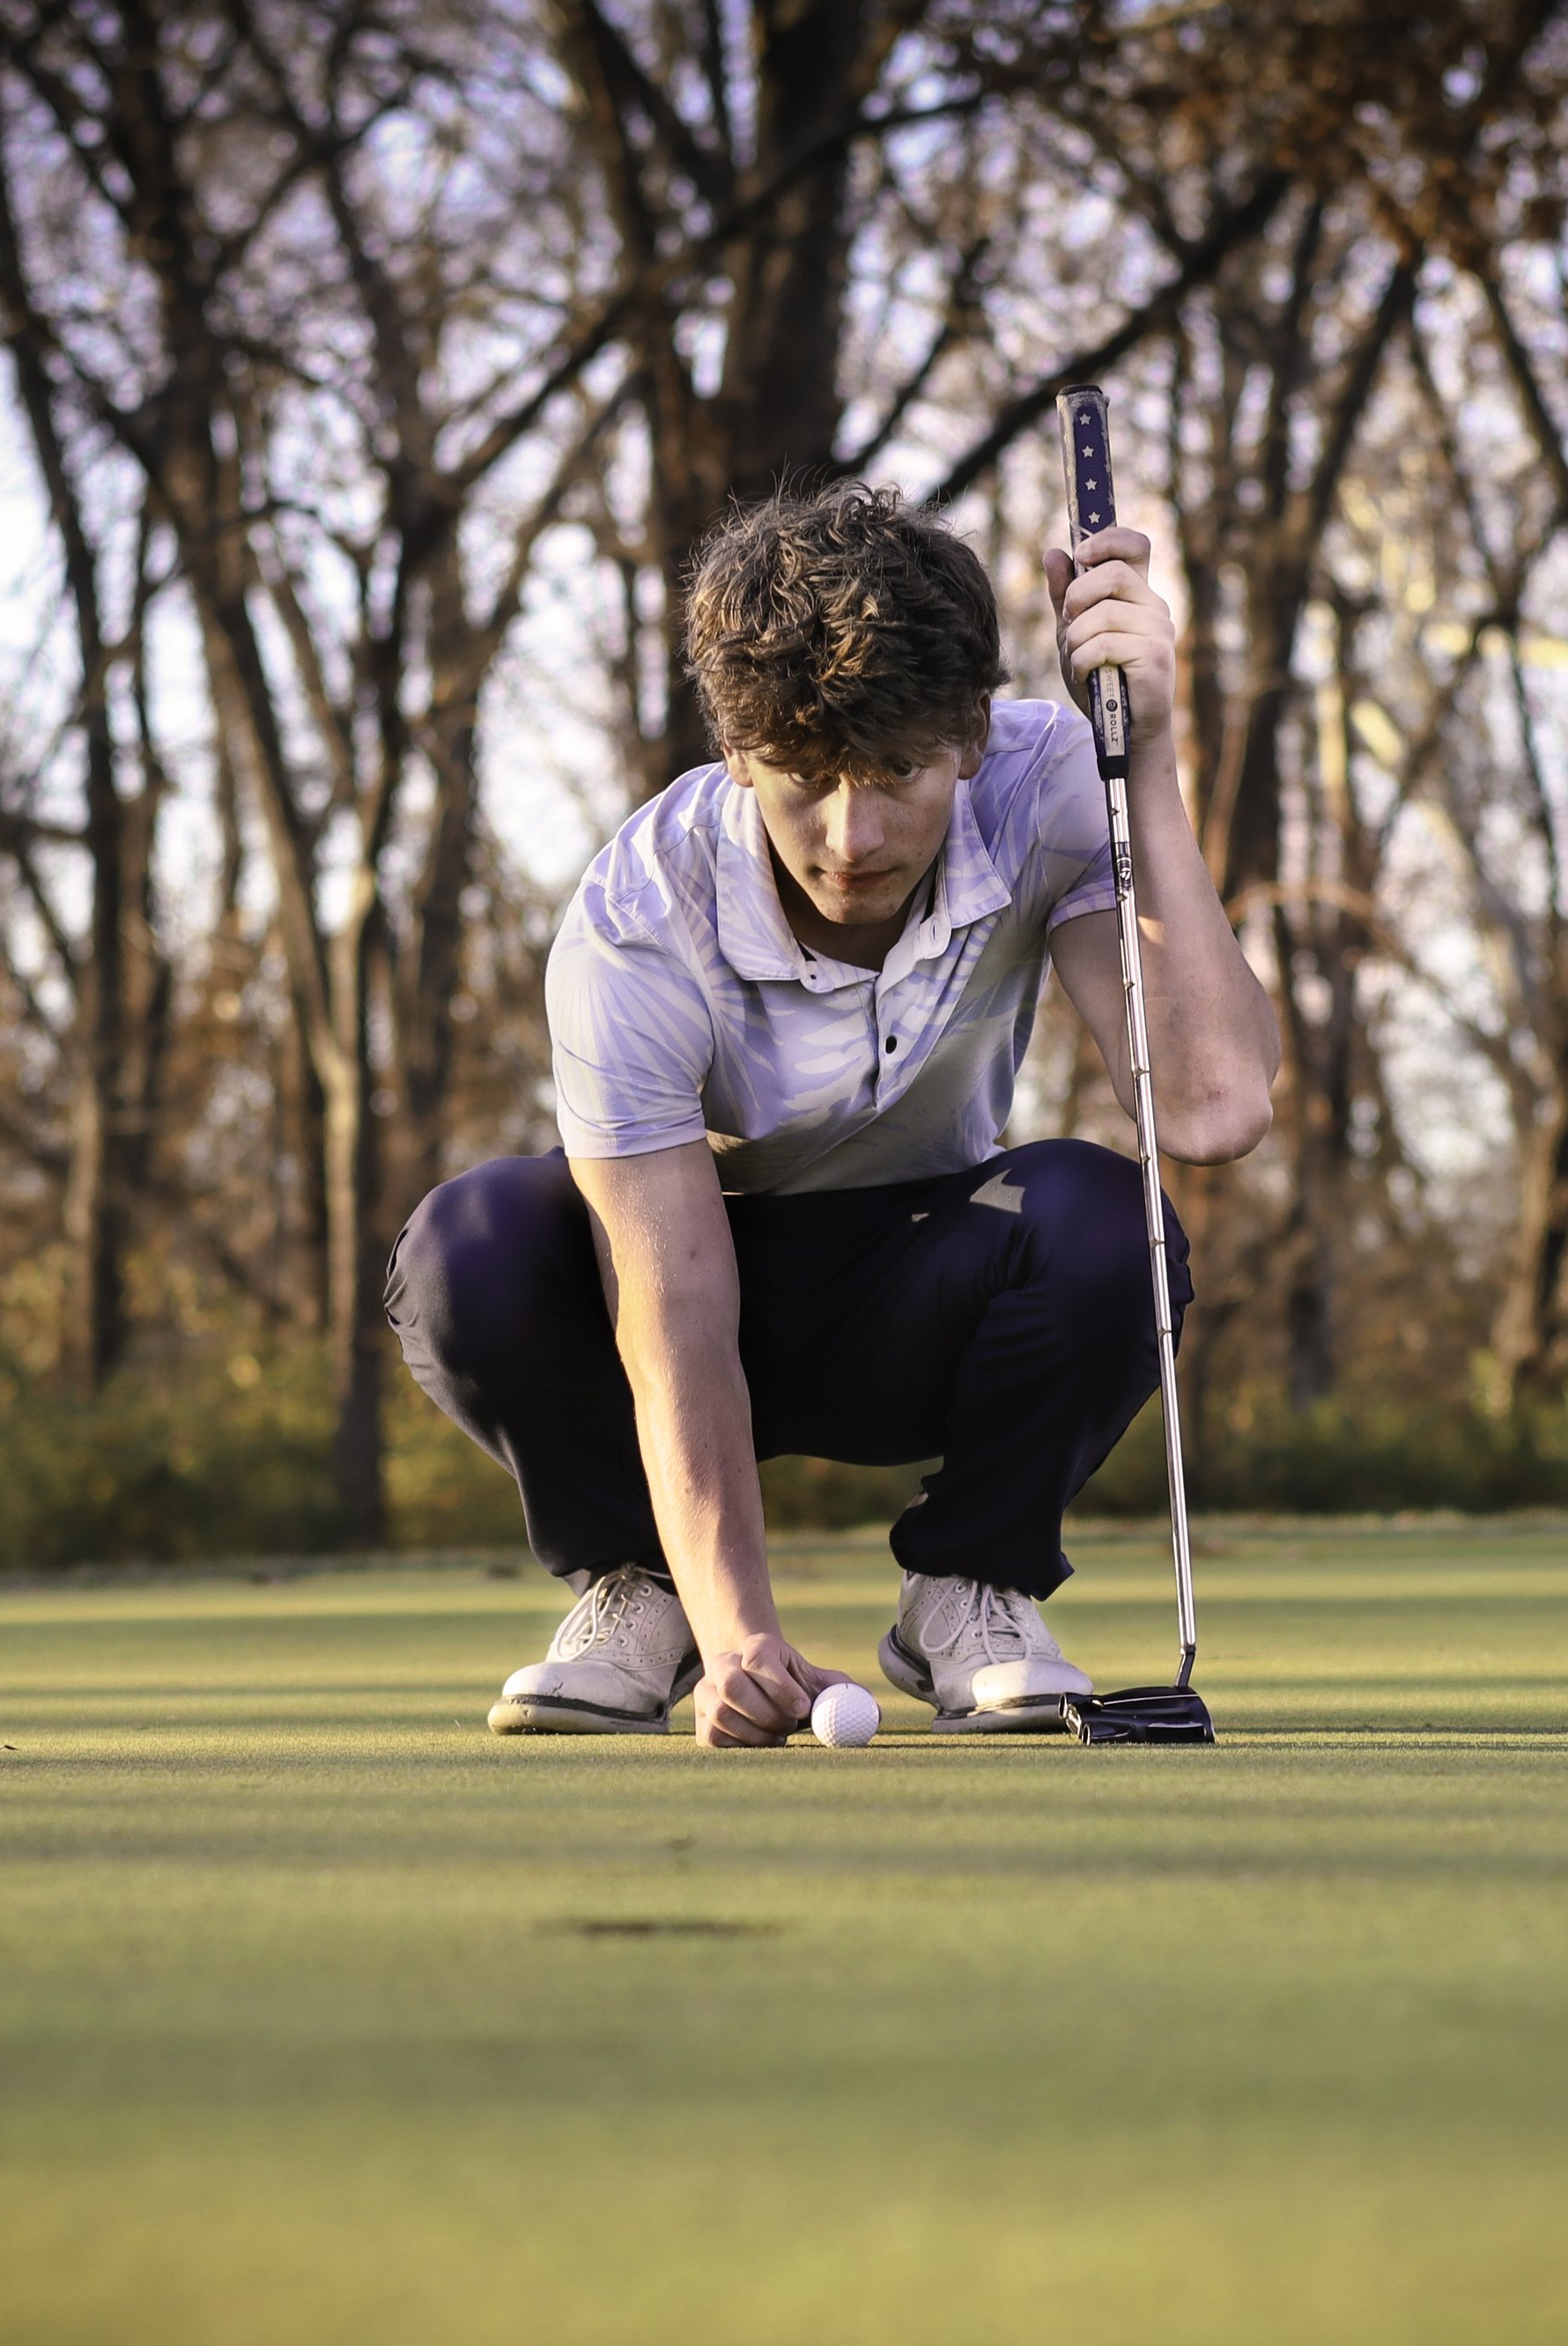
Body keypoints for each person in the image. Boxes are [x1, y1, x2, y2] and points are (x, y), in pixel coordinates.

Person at [387, 482, 1278, 1746]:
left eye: (899, 774)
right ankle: (649, 1588)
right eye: (804, 779)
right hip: (697, 1281)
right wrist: (740, 1618)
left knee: (1096, 1212)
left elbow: (1215, 1103)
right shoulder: (639, 913)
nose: (852, 836)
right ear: (737, 751)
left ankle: (971, 1588)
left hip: (928, 1293)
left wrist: (1153, 765)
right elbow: (675, 1314)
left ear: (972, 733)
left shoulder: (1052, 782)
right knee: (470, 1241)